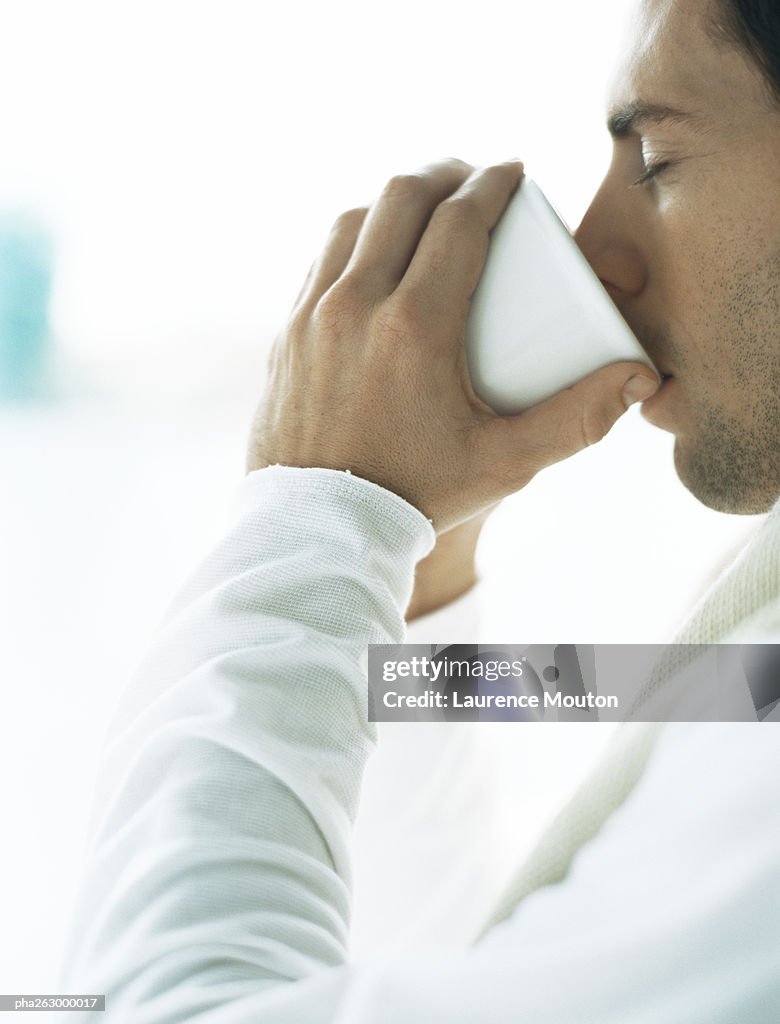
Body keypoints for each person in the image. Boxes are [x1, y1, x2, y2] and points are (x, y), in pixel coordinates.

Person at [59, 0, 780, 1019]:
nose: (596, 258)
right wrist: (416, 571)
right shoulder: (745, 663)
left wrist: (314, 515)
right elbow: (464, 979)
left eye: (657, 157)